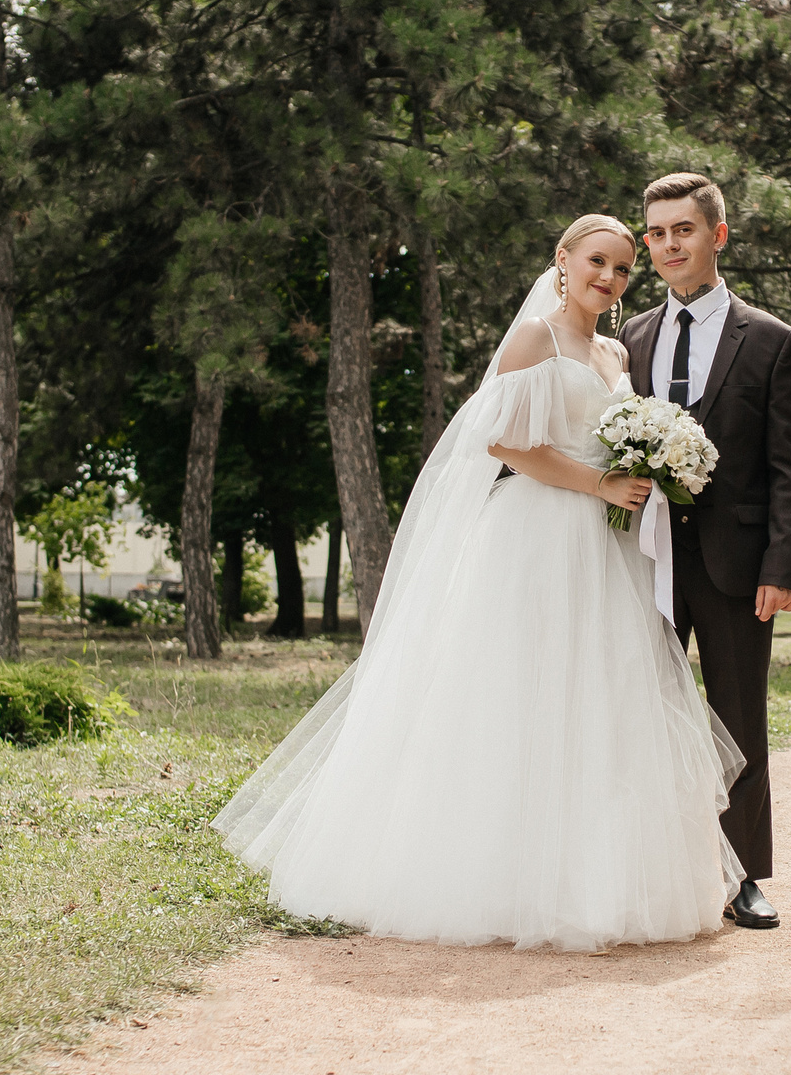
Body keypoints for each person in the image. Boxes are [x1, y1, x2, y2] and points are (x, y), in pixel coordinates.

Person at [211, 215, 743, 952]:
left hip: (605, 547)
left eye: (623, 269)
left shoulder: (617, 351)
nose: (610, 279)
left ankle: (599, 878)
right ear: (564, 260)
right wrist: (598, 481)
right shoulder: (537, 339)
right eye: (598, 261)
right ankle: (497, 878)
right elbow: (502, 442)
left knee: (598, 699)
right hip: (539, 535)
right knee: (517, 697)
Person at [622, 173, 791, 930]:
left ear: (717, 236)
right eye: (657, 234)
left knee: (738, 718)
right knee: (639, 714)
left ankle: (745, 878)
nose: (669, 245)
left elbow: (790, 466)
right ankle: (645, 868)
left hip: (736, 568)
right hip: (642, 563)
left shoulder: (770, 340)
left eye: (684, 230)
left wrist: (780, 566)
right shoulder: (631, 336)